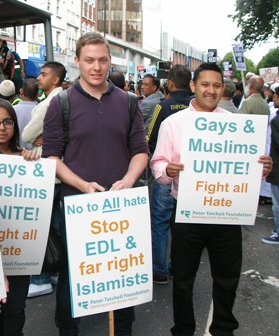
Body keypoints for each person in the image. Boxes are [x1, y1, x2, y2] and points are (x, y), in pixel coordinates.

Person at [150, 62, 272, 335]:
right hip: (187, 213)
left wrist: (262, 169)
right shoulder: (173, 123)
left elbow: (248, 170)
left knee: (227, 278)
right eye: (205, 84)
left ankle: (223, 329)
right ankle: (182, 328)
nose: (211, 90)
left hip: (226, 214)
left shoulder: (235, 126)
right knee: (182, 278)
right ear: (193, 86)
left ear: (222, 88)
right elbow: (157, 165)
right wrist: (166, 170)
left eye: (217, 85)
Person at [43, 32, 149, 336]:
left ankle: (124, 330)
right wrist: (82, 184)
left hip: (120, 206)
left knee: (123, 274)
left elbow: (140, 151)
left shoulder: (128, 102)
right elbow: (52, 158)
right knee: (73, 278)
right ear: (77, 61)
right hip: (77, 207)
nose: (96, 66)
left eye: (102, 60)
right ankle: (68, 330)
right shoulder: (60, 103)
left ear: (110, 61)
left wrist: (128, 180)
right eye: (89, 60)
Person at [0, 98, 39, 336]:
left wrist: (34, 165)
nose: (1, 127)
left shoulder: (25, 159)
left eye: (7, 122)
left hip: (19, 247)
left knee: (16, 309)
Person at [22, 61, 67, 298]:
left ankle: (41, 278)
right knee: (57, 226)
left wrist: (39, 135)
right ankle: (56, 271)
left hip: (46, 173)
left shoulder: (50, 102)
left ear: (56, 80)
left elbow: (27, 134)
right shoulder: (67, 100)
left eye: (43, 74)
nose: (38, 78)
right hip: (61, 172)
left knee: (41, 228)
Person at [146, 65, 192, 285]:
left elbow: (149, 137)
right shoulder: (197, 109)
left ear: (170, 84)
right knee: (183, 224)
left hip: (166, 173)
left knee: (160, 222)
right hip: (194, 178)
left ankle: (159, 270)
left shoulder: (162, 106)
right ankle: (177, 267)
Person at [262, 84, 279, 244]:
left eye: (275, 95)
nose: (273, 98)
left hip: (277, 168)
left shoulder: (276, 120)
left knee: (277, 204)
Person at [13, 78, 39, 150]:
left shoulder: (12, 110)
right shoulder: (41, 111)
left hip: (15, 151)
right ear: (37, 94)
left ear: (21, 91)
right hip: (35, 153)